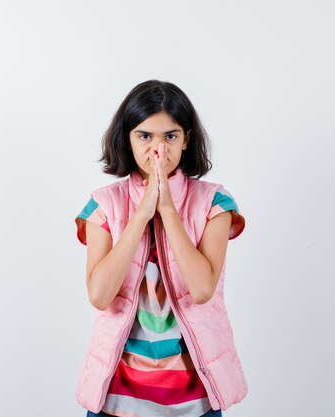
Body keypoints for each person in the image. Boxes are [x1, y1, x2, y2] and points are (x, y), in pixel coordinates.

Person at [74, 80, 248, 417]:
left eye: (170, 136)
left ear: (186, 140)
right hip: (116, 398)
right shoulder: (102, 205)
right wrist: (140, 215)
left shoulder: (215, 202)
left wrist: (168, 210)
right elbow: (99, 295)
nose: (158, 149)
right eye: (144, 136)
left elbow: (201, 289)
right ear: (127, 138)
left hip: (195, 399)